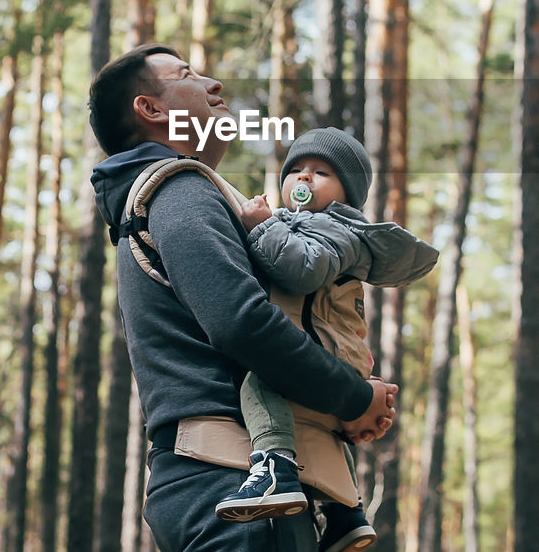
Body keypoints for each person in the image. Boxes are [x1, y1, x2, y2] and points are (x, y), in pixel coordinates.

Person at [88, 44, 398, 552]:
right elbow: (242, 324)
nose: (215, 84)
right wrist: (353, 396)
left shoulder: (182, 196)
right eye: (188, 75)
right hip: (229, 481)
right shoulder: (179, 190)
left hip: (232, 485)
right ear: (150, 109)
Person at [215, 127, 438, 552]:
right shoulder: (301, 225)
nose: (303, 178)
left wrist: (263, 228)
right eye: (295, 169)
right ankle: (345, 513)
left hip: (319, 350)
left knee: (261, 384)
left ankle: (272, 469)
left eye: (320, 172)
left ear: (347, 195)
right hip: (334, 351)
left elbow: (304, 271)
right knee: (324, 430)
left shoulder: (338, 228)